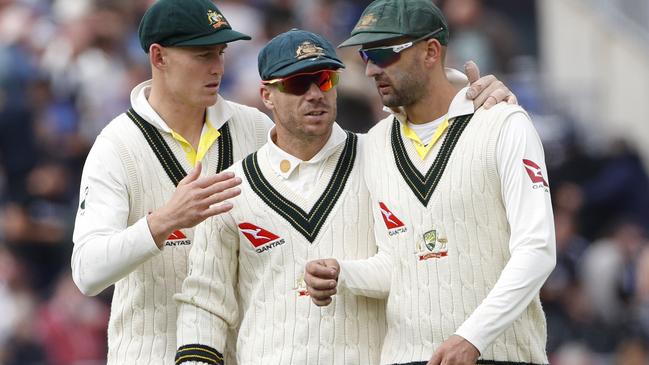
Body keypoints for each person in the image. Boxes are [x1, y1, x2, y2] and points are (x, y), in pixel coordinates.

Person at [174, 28, 518, 365]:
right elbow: (206, 300)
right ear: (267, 95)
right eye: (296, 84)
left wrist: (484, 102)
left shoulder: (383, 155)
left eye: (324, 79)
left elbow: (416, 261)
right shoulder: (232, 186)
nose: (314, 94)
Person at [305, 1, 556, 365]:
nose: (371, 68)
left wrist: (473, 337)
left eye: (383, 53)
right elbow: (399, 264)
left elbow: (537, 250)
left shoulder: (503, 123)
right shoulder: (374, 144)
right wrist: (343, 274)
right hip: (407, 357)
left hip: (497, 354)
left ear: (431, 52)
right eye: (365, 54)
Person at [70, 0, 274, 363]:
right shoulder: (116, 146)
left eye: (221, 52)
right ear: (159, 57)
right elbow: (87, 272)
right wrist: (165, 220)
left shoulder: (256, 128)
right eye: (202, 55)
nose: (217, 68)